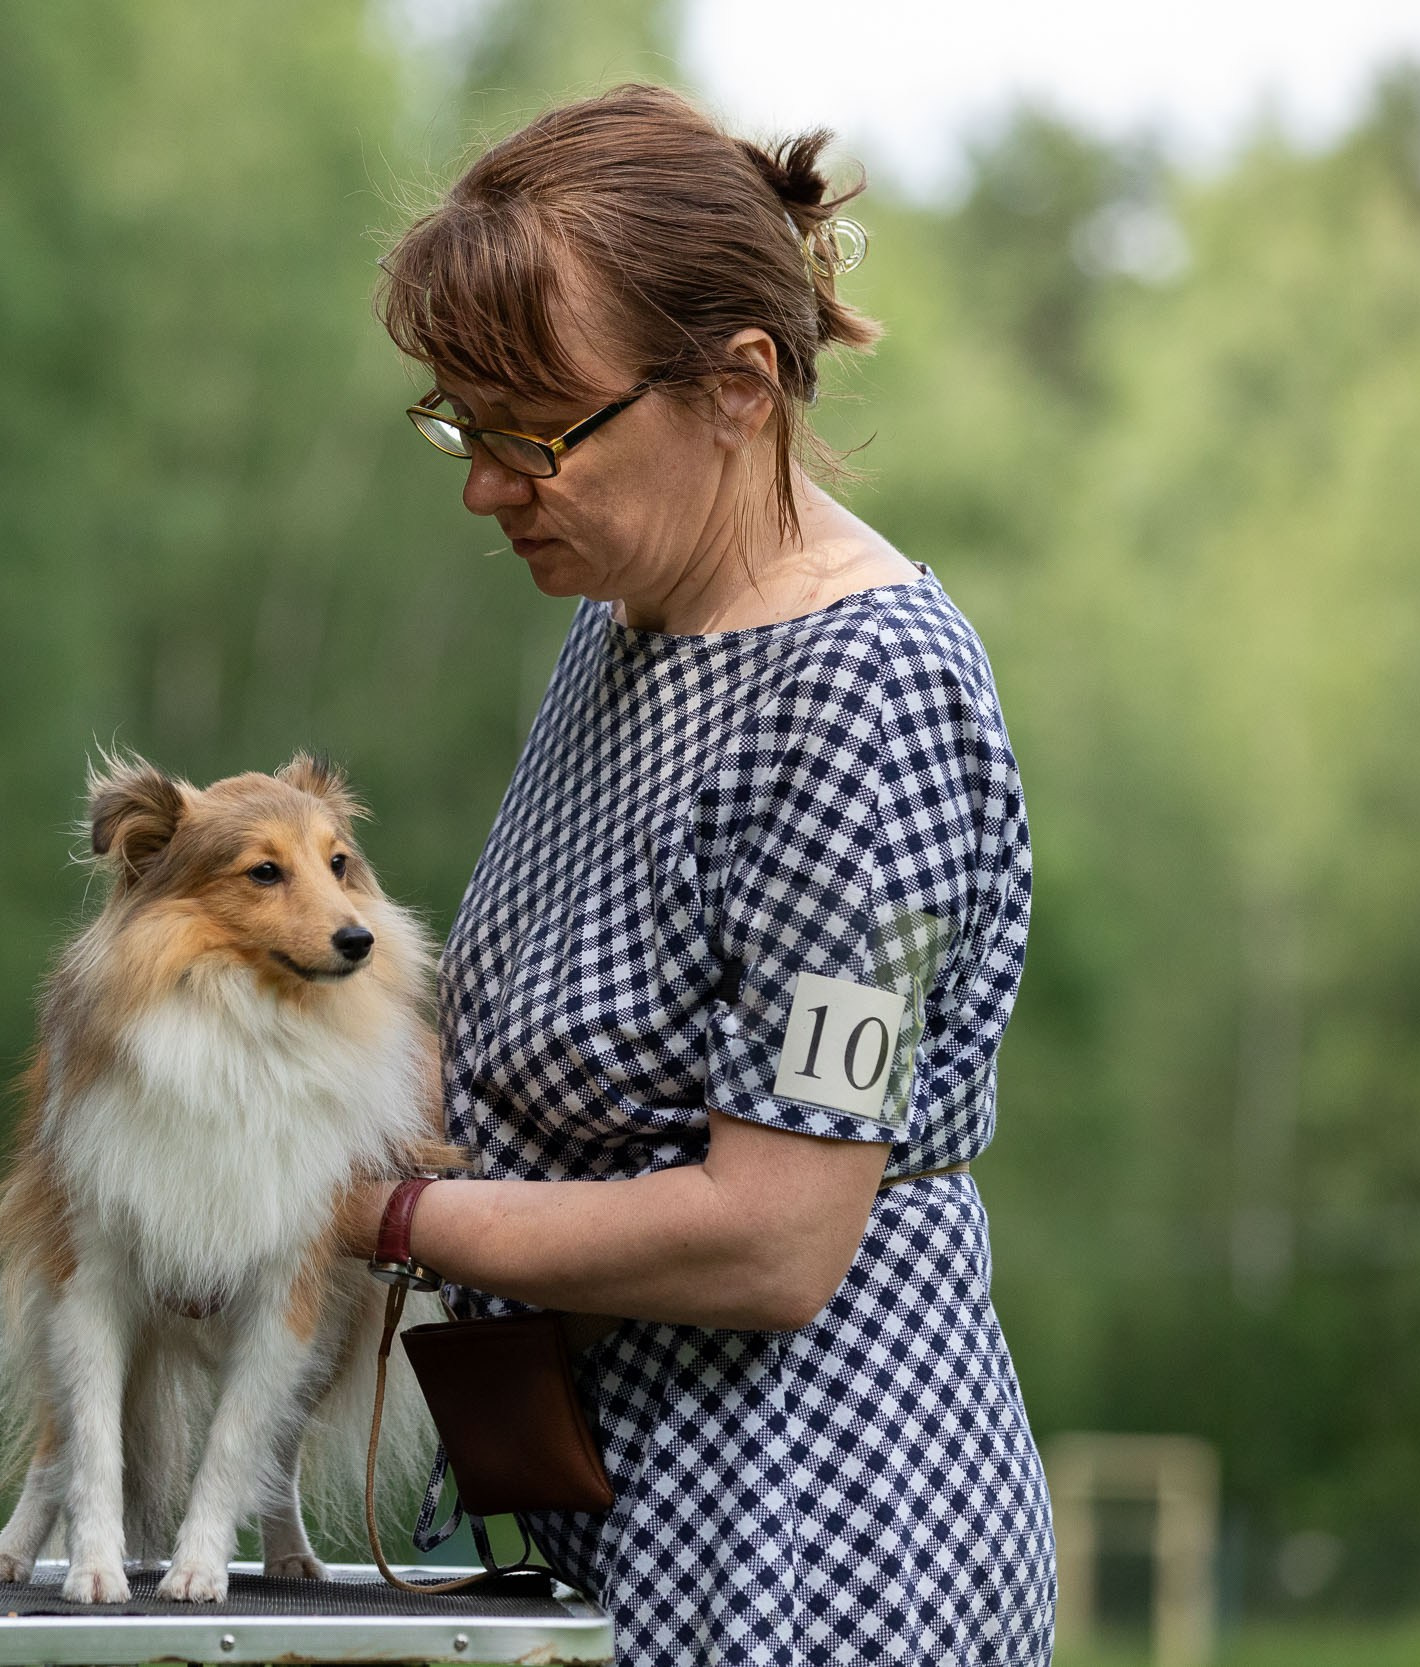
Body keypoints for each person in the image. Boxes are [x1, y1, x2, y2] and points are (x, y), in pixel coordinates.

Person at [337, 85, 1055, 1665]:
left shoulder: (872, 692)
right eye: (464, 424)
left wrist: (375, 1216)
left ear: (737, 385)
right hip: (615, 1514)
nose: (484, 484)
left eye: (536, 432)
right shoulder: (620, 624)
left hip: (813, 1542)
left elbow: (773, 1236)